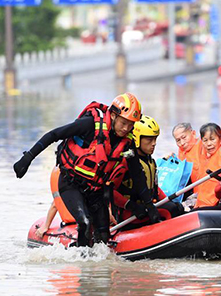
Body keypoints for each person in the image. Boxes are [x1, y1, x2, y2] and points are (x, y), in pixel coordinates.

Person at [13, 93, 159, 247]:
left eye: (131, 124)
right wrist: (27, 158)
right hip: (71, 184)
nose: (126, 128)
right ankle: (82, 264)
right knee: (85, 223)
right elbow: (54, 134)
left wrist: (149, 205)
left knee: (103, 236)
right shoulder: (90, 125)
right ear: (114, 115)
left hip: (95, 190)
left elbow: (137, 173)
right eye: (124, 123)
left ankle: (97, 269)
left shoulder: (127, 144)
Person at [111, 115, 182, 230]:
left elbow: (154, 188)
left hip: (147, 208)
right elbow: (111, 192)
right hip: (129, 214)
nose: (154, 143)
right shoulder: (125, 161)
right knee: (171, 210)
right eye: (149, 140)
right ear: (137, 139)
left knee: (176, 207)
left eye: (155, 139)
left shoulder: (150, 161)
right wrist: (132, 206)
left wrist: (168, 200)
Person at [189, 123, 221, 209]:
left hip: (215, 203)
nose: (209, 144)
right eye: (205, 140)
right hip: (199, 200)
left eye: (212, 139)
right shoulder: (203, 155)